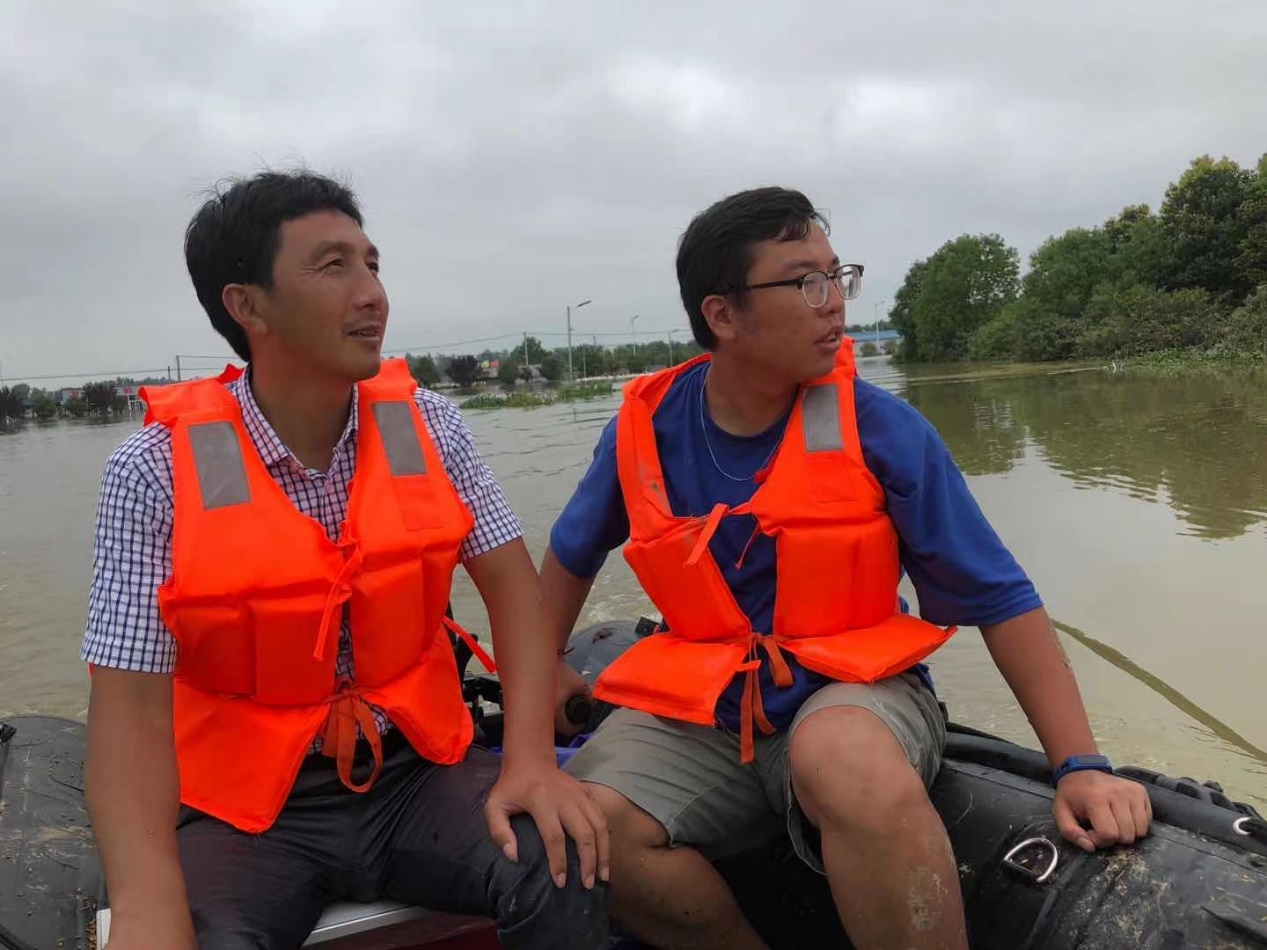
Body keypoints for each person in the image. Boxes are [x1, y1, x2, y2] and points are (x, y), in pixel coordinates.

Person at [540, 186, 1152, 949]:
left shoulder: (881, 428)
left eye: (837, 276)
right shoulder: (646, 431)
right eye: (805, 281)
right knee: (581, 829)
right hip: (708, 711)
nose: (833, 301)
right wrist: (541, 675)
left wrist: (1079, 764)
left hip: (855, 699)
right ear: (722, 315)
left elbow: (1000, 597)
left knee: (839, 757)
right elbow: (569, 559)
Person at [80, 169, 609, 950]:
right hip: (242, 812)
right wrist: (144, 896)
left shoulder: (430, 426)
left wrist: (531, 760)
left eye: (372, 264)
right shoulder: (154, 470)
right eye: (334, 267)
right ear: (247, 306)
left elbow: (515, 596)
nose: (372, 294)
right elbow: (129, 707)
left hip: (415, 774)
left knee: (560, 862)